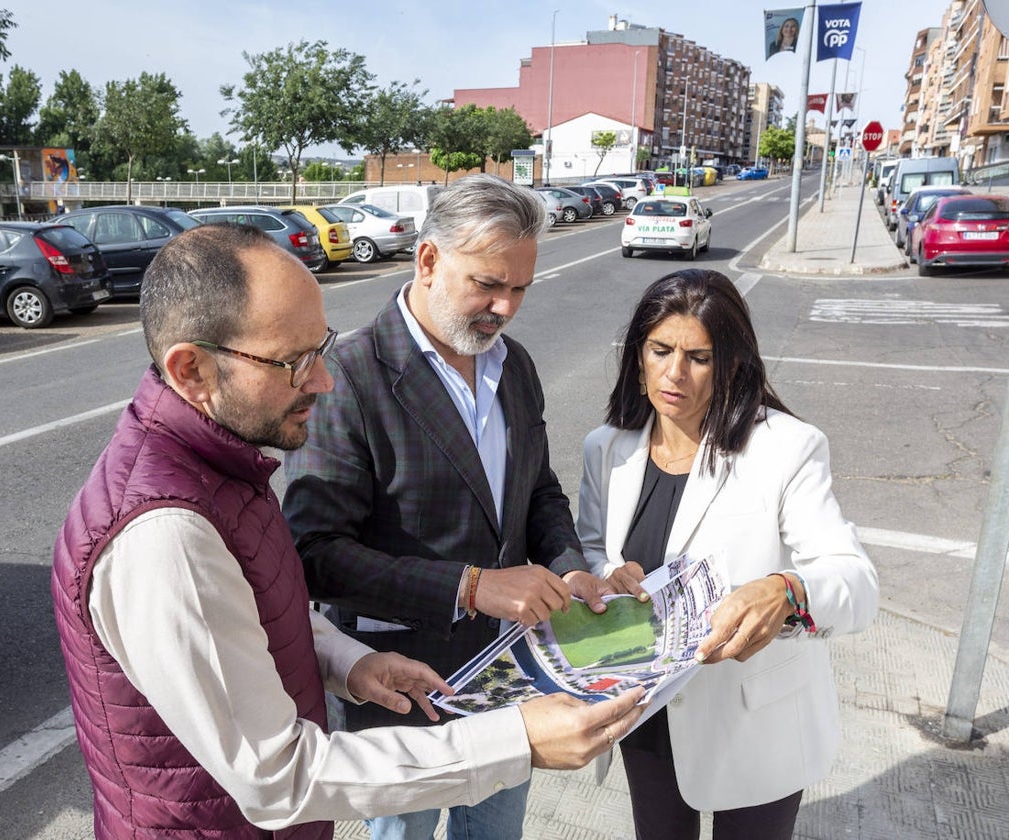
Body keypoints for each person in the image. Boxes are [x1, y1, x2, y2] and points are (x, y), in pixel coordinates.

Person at [51, 222, 645, 839]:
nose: (322, 380)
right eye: (294, 362)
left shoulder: (223, 465)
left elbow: (259, 604)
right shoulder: (165, 535)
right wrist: (515, 737)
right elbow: (278, 776)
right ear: (193, 371)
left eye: (321, 348)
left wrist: (349, 662)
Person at [282, 173, 614, 840]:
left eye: (520, 288)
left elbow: (538, 490)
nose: (506, 306)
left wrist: (569, 565)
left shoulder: (511, 364)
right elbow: (316, 555)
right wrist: (472, 587)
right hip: (404, 688)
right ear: (428, 260)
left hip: (511, 678)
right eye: (488, 284)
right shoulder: (349, 376)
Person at [575, 269, 879, 839]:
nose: (674, 373)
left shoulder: (786, 448)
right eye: (660, 350)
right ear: (637, 355)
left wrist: (788, 589)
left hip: (755, 722)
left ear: (733, 364)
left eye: (699, 357)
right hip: (646, 713)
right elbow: (591, 547)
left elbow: (856, 581)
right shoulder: (605, 447)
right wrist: (604, 577)